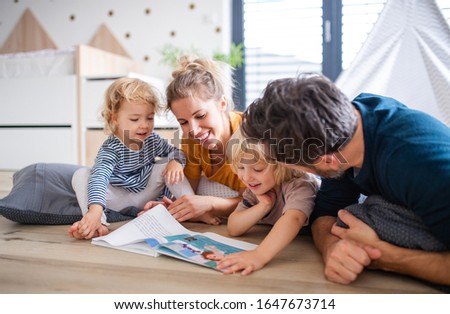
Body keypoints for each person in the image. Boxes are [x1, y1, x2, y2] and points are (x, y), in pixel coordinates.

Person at [240, 73, 450, 287]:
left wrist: (384, 256)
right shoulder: (338, 134)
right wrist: (331, 247)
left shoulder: (419, 164)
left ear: (327, 162)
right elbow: (325, 211)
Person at [68, 77, 192, 239]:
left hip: (145, 194)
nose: (144, 125)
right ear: (115, 118)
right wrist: (96, 210)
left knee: (169, 162)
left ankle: (191, 204)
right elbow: (99, 177)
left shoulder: (152, 140)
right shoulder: (111, 148)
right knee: (82, 174)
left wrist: (175, 161)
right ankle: (97, 220)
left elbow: (175, 152)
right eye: (135, 119)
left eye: (150, 118)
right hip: (116, 198)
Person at [140, 56, 246, 225]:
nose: (193, 130)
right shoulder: (191, 141)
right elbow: (188, 193)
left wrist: (209, 203)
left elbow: (251, 201)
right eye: (183, 122)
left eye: (201, 115)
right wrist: (171, 208)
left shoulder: (247, 134)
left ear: (222, 103)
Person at [216, 128, 318, 275]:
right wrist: (264, 206)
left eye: (258, 169)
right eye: (241, 168)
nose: (246, 177)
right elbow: (233, 227)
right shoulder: (256, 188)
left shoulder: (299, 184)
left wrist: (259, 255)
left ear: (282, 164)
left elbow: (294, 218)